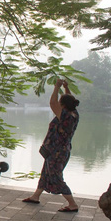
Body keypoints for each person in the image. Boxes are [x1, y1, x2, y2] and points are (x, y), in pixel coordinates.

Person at [22, 79, 80, 212]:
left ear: (63, 105)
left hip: (57, 152)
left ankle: (72, 204)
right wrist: (66, 88)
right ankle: (36, 196)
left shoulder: (65, 116)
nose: (58, 104)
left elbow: (52, 103)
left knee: (56, 177)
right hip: (58, 150)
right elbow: (69, 100)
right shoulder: (74, 114)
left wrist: (56, 87)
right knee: (46, 174)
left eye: (61, 102)